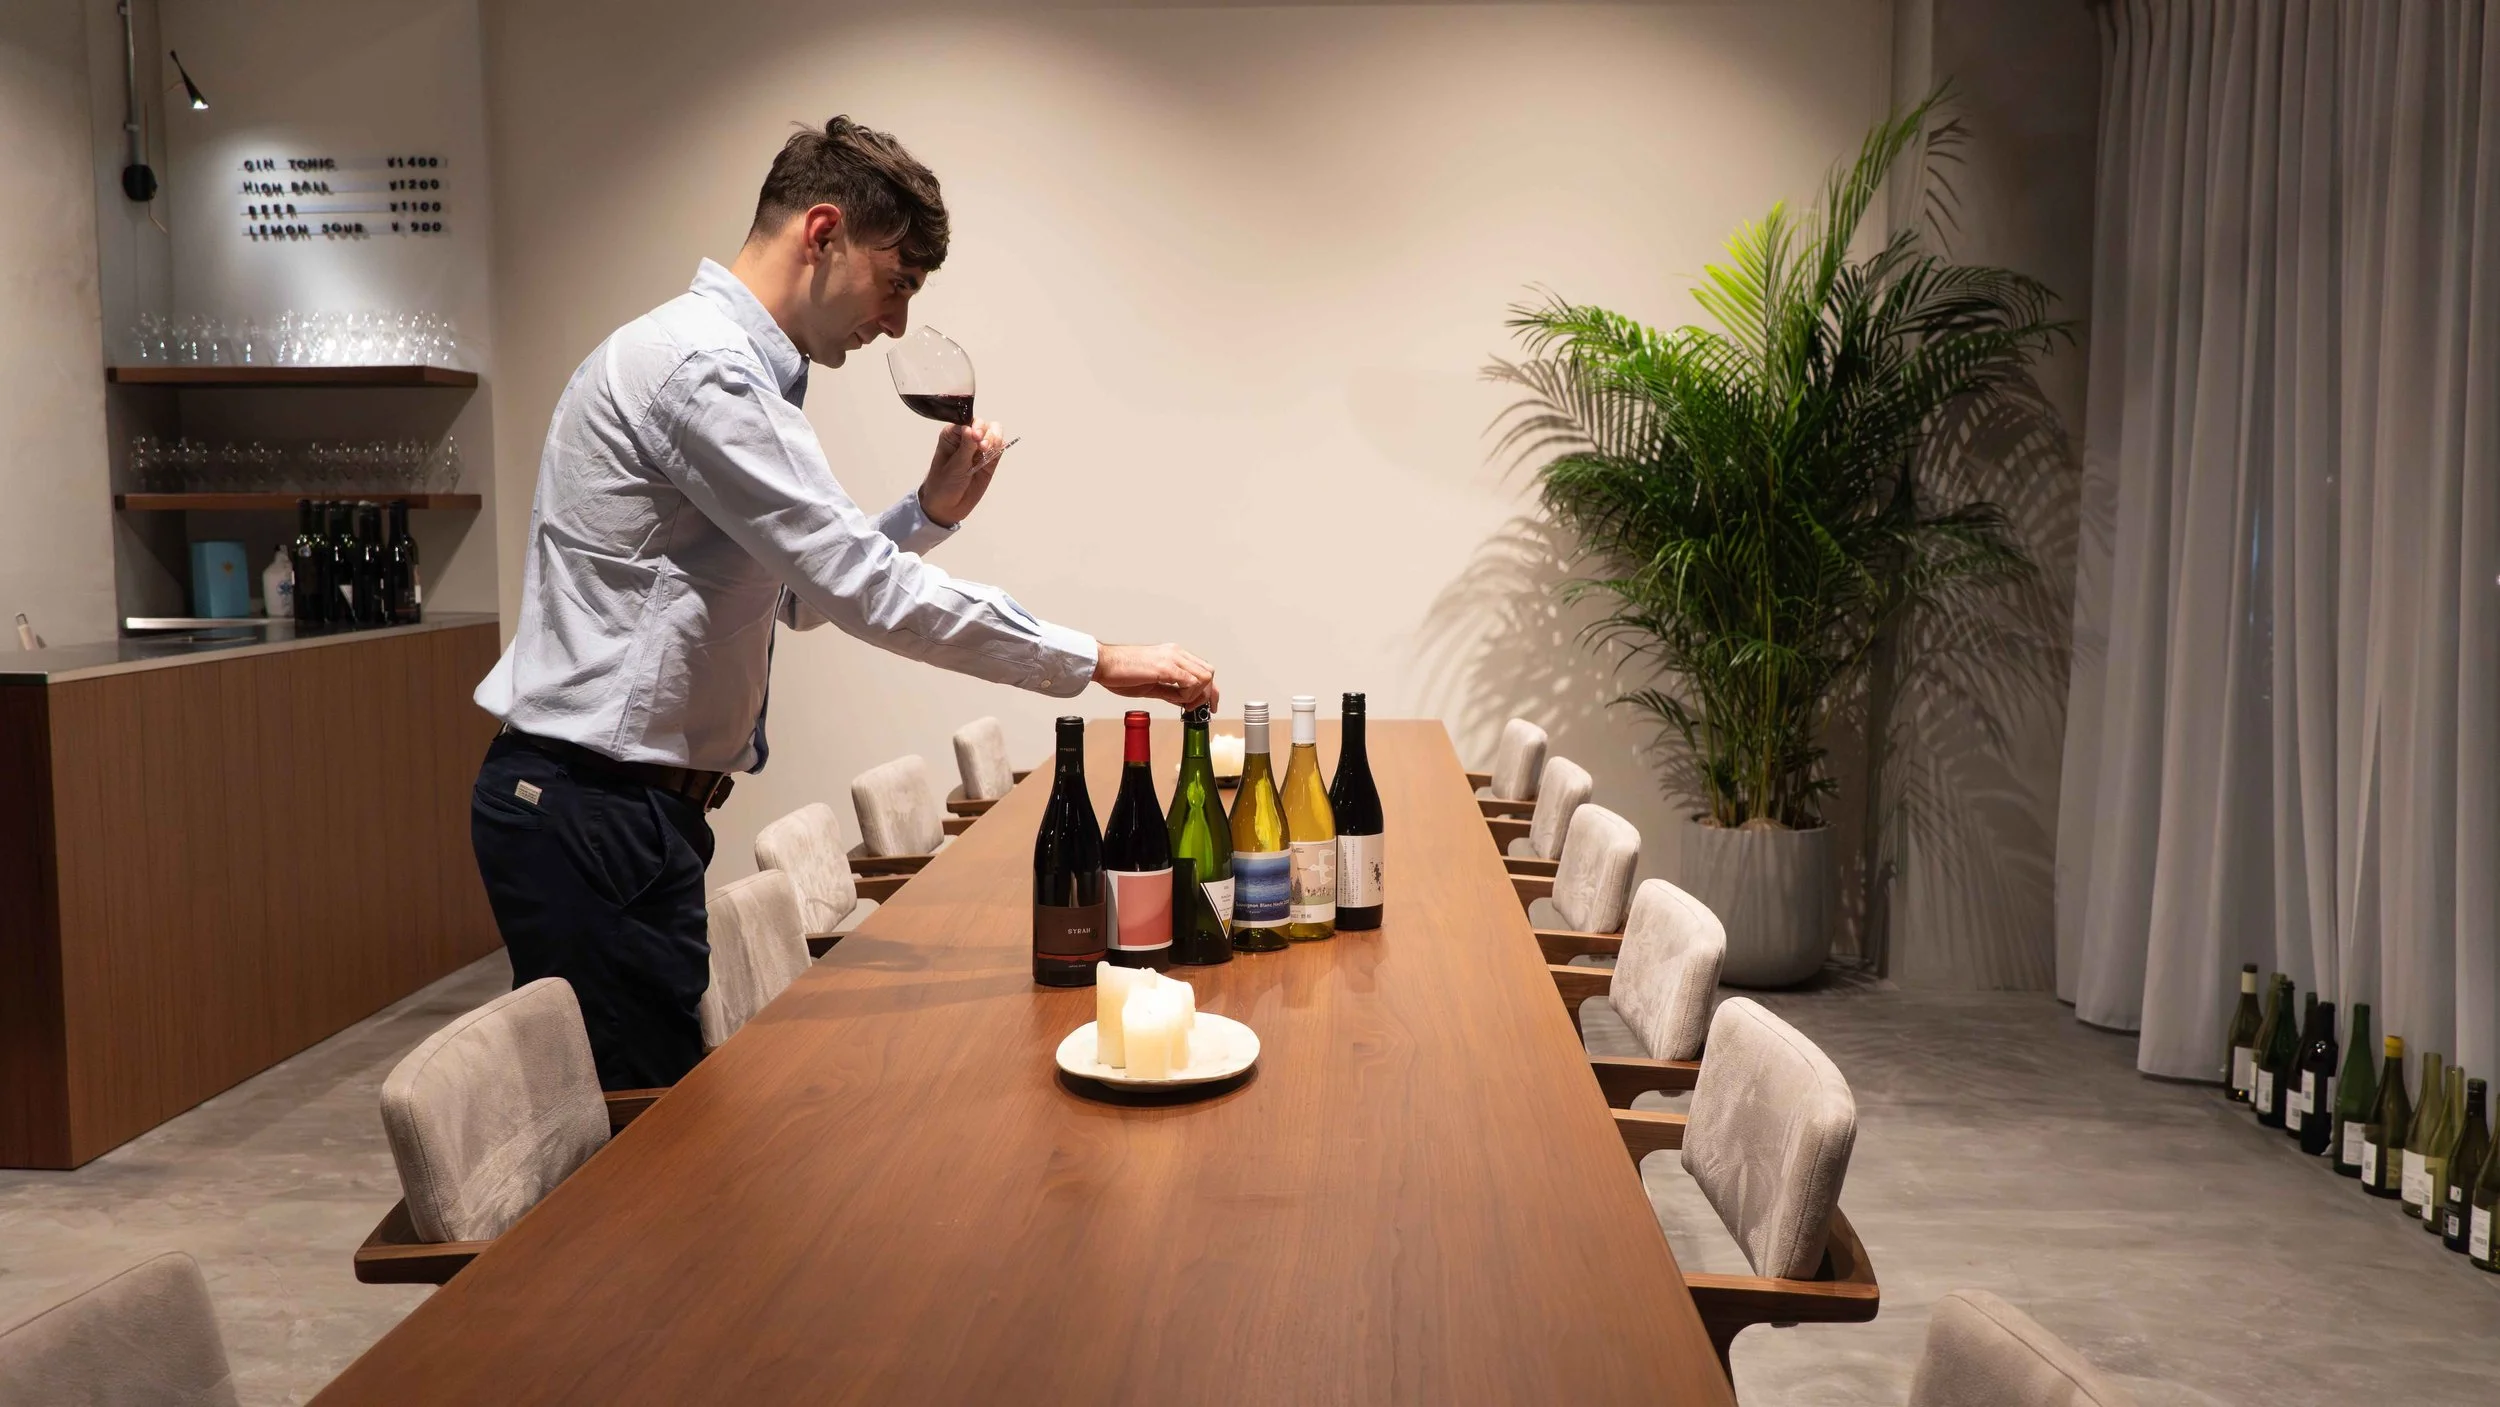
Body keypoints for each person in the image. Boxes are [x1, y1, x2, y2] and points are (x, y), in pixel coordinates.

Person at [470, 116, 1219, 1090]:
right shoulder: (707, 372)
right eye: (898, 280)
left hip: (618, 810)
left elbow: (793, 595)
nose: (898, 322)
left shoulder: (719, 369)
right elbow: (859, 589)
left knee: (655, 1122)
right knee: (639, 1152)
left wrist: (926, 514)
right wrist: (1095, 659)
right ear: (823, 233)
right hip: (591, 808)